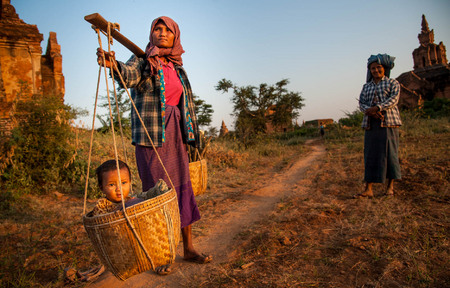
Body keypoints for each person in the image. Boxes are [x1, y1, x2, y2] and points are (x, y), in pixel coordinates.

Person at [96, 16, 212, 275]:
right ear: (151, 34)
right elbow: (128, 77)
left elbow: (186, 106)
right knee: (157, 195)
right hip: (151, 136)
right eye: (156, 29)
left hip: (175, 136)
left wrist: (191, 138)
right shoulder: (142, 60)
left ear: (175, 37)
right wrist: (113, 64)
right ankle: (162, 255)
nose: (161, 33)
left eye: (167, 30)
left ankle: (189, 248)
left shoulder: (177, 68)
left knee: (182, 190)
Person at [355, 53, 402, 198]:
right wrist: (370, 112)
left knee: (390, 154)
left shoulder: (392, 83)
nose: (375, 70)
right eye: (373, 68)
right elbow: (361, 103)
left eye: (378, 67)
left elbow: (393, 100)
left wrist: (378, 108)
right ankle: (368, 189)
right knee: (370, 155)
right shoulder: (366, 86)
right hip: (371, 123)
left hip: (388, 122)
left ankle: (390, 187)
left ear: (384, 68)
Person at [93, 159, 168, 216]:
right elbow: (100, 219)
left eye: (123, 183)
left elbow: (143, 197)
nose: (118, 189)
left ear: (130, 182)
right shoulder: (102, 205)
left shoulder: (129, 199)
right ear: (101, 188)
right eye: (111, 185)